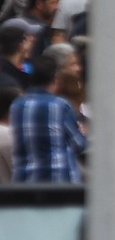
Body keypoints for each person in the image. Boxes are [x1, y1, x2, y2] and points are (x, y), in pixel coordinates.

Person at [10, 51, 86, 182]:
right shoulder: (61, 105)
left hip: (25, 182)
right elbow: (78, 144)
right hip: (58, 183)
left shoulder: (17, 105)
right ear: (55, 80)